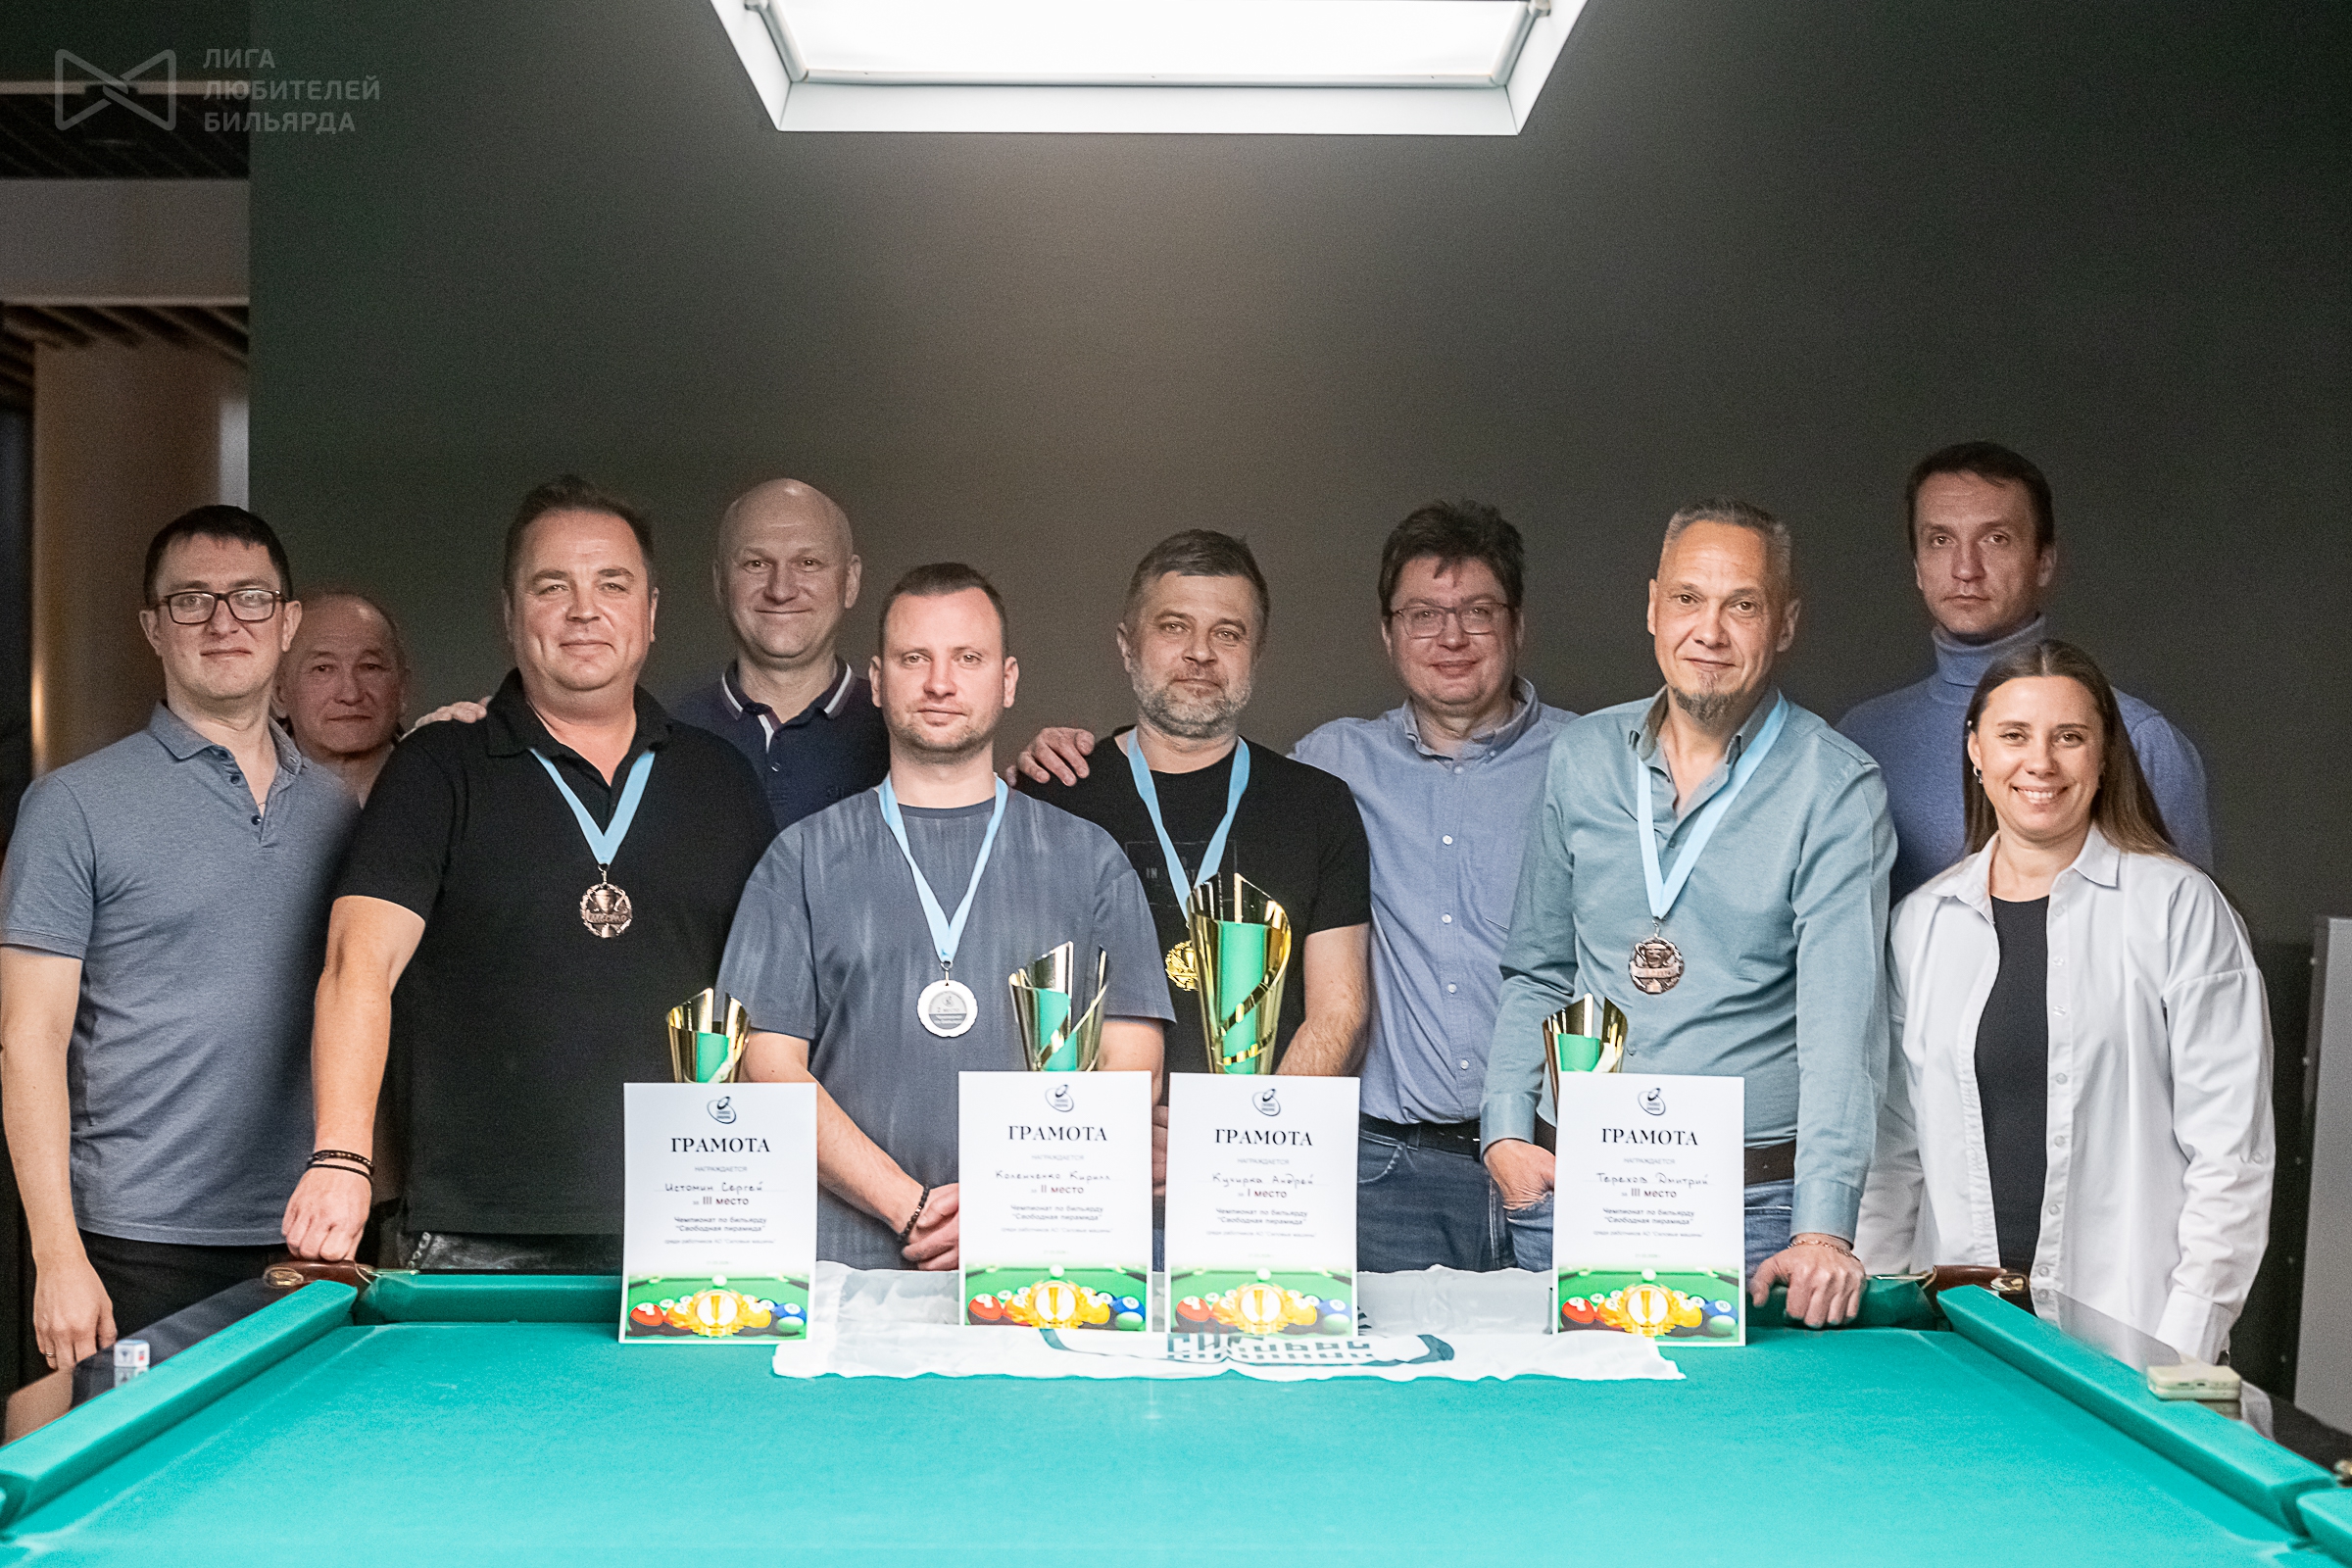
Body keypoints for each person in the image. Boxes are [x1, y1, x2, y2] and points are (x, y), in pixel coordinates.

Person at [280, 476, 774, 1269]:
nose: (584, 610)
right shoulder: (437, 768)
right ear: (510, 615)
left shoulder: (722, 780)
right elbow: (356, 963)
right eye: (552, 586)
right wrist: (341, 1157)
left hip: (689, 1219)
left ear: (650, 614)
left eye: (612, 584)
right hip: (471, 1234)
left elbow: (770, 1008)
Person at [1481, 500, 1892, 1326]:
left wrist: (1821, 1231)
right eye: (1687, 599)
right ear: (1652, 607)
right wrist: (1504, 1133)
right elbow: (1539, 969)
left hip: (1753, 1213)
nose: (1710, 630)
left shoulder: (1835, 788)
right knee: (1565, 1411)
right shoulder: (1583, 760)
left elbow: (1842, 1027)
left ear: (1784, 624)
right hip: (1571, 1191)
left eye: (1742, 605)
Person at [717, 564, 1170, 1269]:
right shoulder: (800, 859)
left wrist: (1010, 1206)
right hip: (838, 1271)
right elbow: (764, 1066)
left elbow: (1133, 1068)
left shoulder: (1090, 860)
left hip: (1038, 1263)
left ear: (1007, 680)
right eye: (914, 658)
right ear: (877, 680)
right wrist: (911, 1207)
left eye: (968, 658)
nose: (939, 682)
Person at [0, 507, 358, 1364]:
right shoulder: (71, 805)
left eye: (250, 598)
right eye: (191, 600)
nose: (224, 622)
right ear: (153, 628)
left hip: (308, 1235)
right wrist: (57, 1256)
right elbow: (27, 1037)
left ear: (288, 622)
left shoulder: (338, 809)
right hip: (131, 1242)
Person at [1856, 641, 2271, 1362]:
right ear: (1977, 750)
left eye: (2069, 737)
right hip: (1959, 1339)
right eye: (2014, 735)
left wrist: (2181, 1353)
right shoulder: (1921, 925)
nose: (2040, 762)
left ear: (2104, 755)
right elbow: (1895, 1158)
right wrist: (1878, 1324)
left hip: (2132, 1342)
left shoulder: (2179, 907)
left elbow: (2230, 1158)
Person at [1290, 502, 1575, 1272]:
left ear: (1518, 625)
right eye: (1423, 615)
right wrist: (1084, 755)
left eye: (1477, 612)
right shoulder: (1327, 766)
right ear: (1388, 635)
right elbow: (1197, 773)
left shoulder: (1592, 761)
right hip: (1385, 1173)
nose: (1451, 638)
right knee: (1386, 1357)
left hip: (1558, 1160)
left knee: (1586, 1354)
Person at [1009, 530, 1372, 1086]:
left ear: (1256, 654)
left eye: (1227, 633)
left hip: (1265, 1136)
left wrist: (1238, 1128)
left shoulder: (1319, 806)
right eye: (1174, 626)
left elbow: (1339, 1015)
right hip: (1094, 1134)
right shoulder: (1054, 797)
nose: (1200, 653)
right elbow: (1023, 1003)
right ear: (1127, 645)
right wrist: (1120, 1124)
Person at [1838, 442, 2212, 901]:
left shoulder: (2136, 737)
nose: (1965, 569)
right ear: (1917, 567)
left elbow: (2189, 925)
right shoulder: (1859, 740)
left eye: (1995, 539)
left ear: (2044, 562)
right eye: (1940, 540)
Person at [668, 478, 890, 830]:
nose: (781, 590)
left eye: (809, 562)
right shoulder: (667, 736)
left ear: (850, 581)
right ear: (720, 583)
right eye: (756, 564)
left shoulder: (900, 730)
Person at [275, 589, 411, 803]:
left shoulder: (451, 782)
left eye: (370, 667)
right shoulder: (237, 802)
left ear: (402, 688)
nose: (351, 695)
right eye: (323, 669)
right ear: (279, 694)